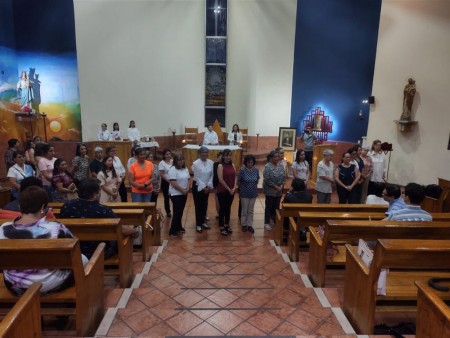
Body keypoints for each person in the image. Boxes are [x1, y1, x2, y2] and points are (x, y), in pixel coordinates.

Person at [0, 186, 79, 295]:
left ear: (20, 205)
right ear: (43, 207)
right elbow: (74, 250)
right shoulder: (56, 228)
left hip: (14, 284)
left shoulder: (3, 228)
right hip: (48, 285)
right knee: (83, 260)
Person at [60, 178, 135, 259]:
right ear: (95, 194)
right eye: (99, 191)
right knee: (120, 238)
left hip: (73, 249)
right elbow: (121, 229)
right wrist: (135, 231)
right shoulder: (103, 210)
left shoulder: (67, 206)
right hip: (98, 251)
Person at [192, 147, 214, 233]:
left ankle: (203, 222)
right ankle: (198, 224)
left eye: (206, 152)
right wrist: (204, 187)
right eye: (203, 152)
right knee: (198, 206)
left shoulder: (211, 162)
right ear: (199, 154)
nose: (205, 154)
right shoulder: (195, 163)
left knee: (204, 205)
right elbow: (196, 177)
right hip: (198, 186)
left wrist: (208, 186)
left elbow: (212, 175)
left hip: (207, 187)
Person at [263, 150, 286, 230]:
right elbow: (267, 179)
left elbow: (284, 177)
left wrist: (282, 186)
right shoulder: (267, 167)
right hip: (270, 190)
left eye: (278, 156)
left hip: (279, 190)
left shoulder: (281, 166)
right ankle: (266, 222)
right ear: (271, 158)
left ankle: (275, 220)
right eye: (275, 157)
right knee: (269, 206)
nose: (277, 158)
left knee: (276, 206)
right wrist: (276, 187)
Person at [168, 154, 190, 237]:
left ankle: (178, 227)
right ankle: (172, 231)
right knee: (177, 212)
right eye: (179, 160)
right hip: (175, 193)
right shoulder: (173, 169)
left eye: (182, 159)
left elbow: (188, 179)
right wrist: (183, 190)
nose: (181, 161)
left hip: (184, 192)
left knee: (180, 211)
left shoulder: (185, 168)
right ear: (175, 161)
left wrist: (187, 189)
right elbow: (173, 183)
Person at [237, 154, 259, 234]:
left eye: (252, 162)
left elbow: (257, 180)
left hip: (253, 193)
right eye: (249, 162)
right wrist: (242, 189)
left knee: (250, 210)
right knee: (244, 210)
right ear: (245, 163)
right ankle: (244, 224)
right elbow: (238, 182)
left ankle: (250, 225)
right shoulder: (242, 170)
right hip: (244, 193)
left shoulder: (256, 170)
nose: (250, 164)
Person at [217, 149, 236, 236]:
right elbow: (220, 179)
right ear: (223, 156)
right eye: (227, 155)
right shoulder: (220, 166)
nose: (229, 157)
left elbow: (235, 176)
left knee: (228, 208)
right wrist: (229, 189)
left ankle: (227, 224)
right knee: (223, 208)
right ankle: (221, 226)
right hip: (223, 190)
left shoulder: (233, 165)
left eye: (230, 155)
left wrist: (234, 187)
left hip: (231, 190)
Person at [159, 149, 173, 217]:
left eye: (169, 154)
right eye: (166, 154)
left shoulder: (173, 161)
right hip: (165, 182)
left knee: (173, 197)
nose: (168, 155)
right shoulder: (162, 163)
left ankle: (175, 209)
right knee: (167, 197)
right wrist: (168, 180)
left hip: (173, 182)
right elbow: (161, 174)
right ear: (164, 155)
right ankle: (168, 211)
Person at [213, 151, 223, 219]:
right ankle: (219, 213)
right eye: (220, 157)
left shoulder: (226, 164)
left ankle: (223, 213)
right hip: (217, 184)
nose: (221, 159)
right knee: (217, 200)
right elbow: (215, 175)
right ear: (217, 158)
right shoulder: (215, 164)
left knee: (223, 200)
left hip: (224, 185)